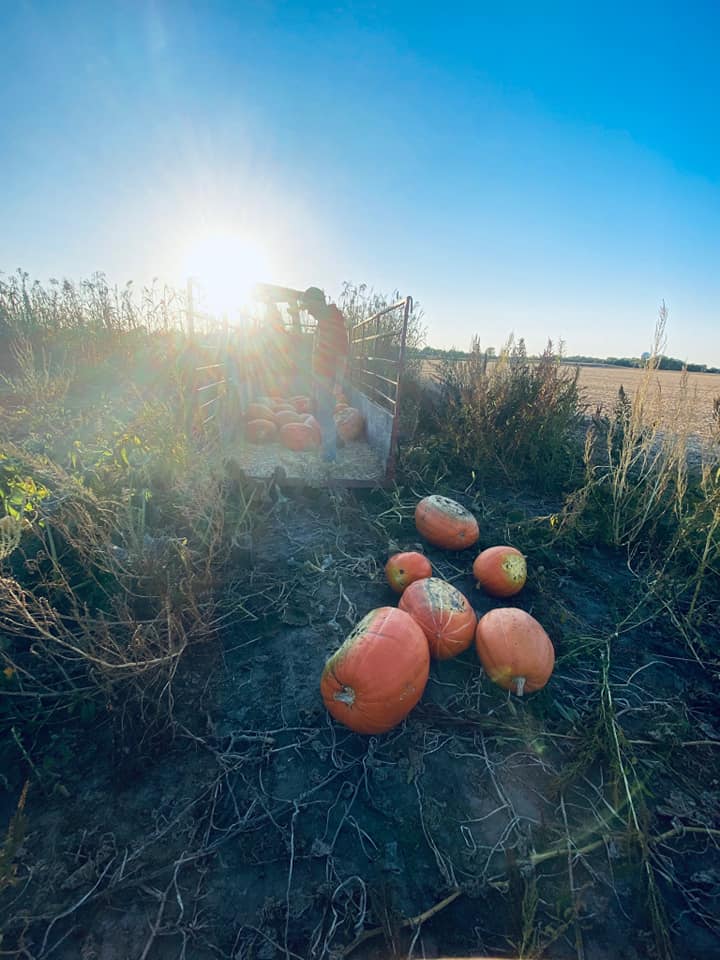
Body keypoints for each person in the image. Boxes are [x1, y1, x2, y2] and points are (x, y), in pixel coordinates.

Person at [301, 287, 349, 462]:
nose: (309, 312)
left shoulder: (334, 323)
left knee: (324, 413)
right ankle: (337, 440)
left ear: (318, 302)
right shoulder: (323, 322)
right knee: (317, 409)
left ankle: (330, 456)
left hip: (327, 378)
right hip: (319, 376)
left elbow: (342, 356)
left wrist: (338, 383)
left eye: (310, 307)